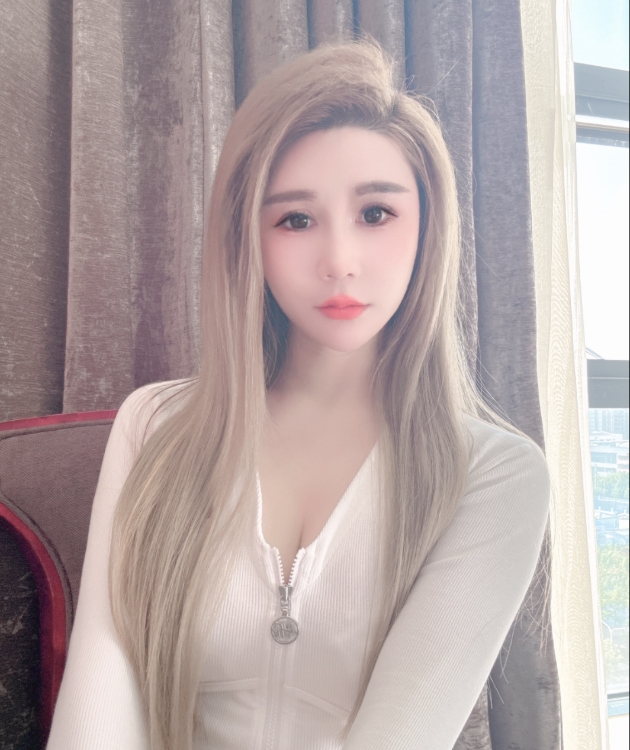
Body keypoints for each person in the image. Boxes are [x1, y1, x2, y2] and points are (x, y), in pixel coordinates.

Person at [46, 40, 550, 750]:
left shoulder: (493, 475)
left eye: (376, 213)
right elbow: (99, 701)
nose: (339, 262)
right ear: (247, 239)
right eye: (295, 220)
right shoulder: (156, 425)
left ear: (428, 229)